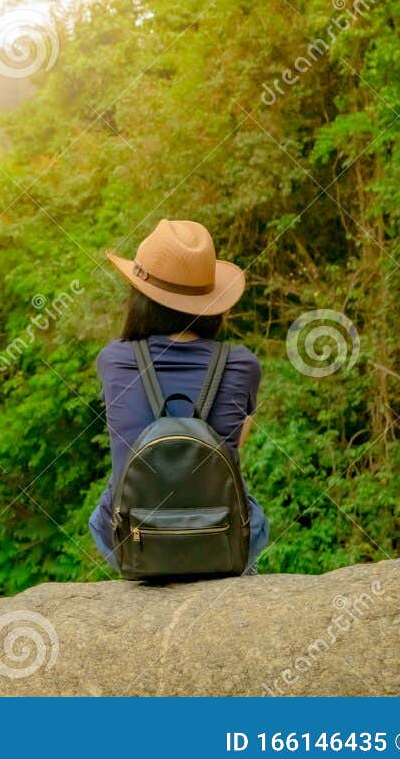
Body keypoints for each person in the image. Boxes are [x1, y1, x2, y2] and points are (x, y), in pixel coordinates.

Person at [89, 218, 270, 572]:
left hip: (133, 536)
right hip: (218, 533)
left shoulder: (113, 361)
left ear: (140, 298)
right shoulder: (242, 364)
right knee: (253, 512)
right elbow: (235, 441)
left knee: (103, 510)